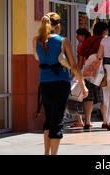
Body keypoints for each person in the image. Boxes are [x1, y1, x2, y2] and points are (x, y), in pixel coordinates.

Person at [32, 12, 88, 155]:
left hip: (44, 81)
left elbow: (37, 57)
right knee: (57, 120)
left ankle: (46, 153)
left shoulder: (36, 40)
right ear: (57, 25)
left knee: (48, 119)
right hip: (61, 82)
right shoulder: (63, 41)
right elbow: (74, 66)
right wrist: (82, 84)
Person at [77, 21, 108, 130]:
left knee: (88, 99)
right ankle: (105, 121)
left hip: (88, 73)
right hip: (100, 74)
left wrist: (79, 72)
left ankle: (87, 122)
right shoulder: (103, 41)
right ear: (104, 31)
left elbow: (80, 58)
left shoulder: (86, 41)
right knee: (103, 99)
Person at [73, 28, 91, 128]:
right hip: (91, 73)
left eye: (78, 35)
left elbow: (79, 63)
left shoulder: (81, 46)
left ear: (82, 36)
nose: (76, 37)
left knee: (78, 97)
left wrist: (74, 74)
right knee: (88, 98)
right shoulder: (90, 44)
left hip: (82, 73)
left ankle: (79, 120)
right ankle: (88, 120)